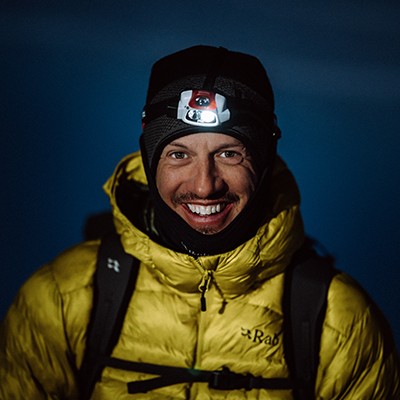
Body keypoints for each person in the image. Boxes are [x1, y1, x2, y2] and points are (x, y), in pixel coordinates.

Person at [0, 45, 399, 399]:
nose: (205, 186)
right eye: (179, 154)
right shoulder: (61, 298)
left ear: (263, 160)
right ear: (150, 160)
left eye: (229, 153)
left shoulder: (338, 320)